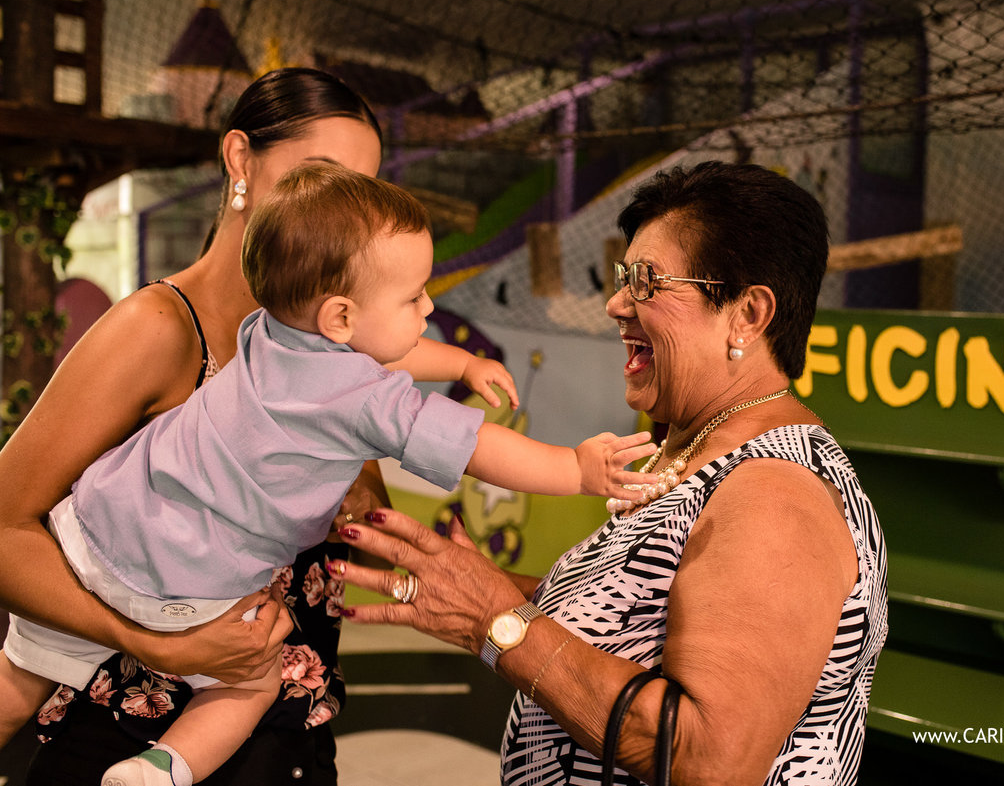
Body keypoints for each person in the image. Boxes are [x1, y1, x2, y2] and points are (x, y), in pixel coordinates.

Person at [0, 161, 657, 786]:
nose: (427, 307)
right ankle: (160, 768)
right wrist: (574, 467)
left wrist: (457, 363)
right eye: (413, 296)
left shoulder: (265, 332)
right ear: (339, 317)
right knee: (251, 682)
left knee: (19, 673)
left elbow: (376, 352)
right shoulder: (367, 400)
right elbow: (477, 447)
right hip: (186, 582)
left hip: (96, 529)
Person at [328, 161, 889, 785]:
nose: (617, 302)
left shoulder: (773, 494)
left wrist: (496, 621)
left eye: (647, 281)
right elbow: (629, 622)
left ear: (748, 315)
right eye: (626, 277)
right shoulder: (691, 452)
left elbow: (709, 758)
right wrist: (449, 576)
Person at [0, 67, 435, 785]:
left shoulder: (338, 354)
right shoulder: (159, 329)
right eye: (317, 175)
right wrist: (151, 640)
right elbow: (6, 525)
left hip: (285, 747)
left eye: (363, 193)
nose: (338, 212)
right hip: (129, 746)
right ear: (240, 160)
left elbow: (344, 560)